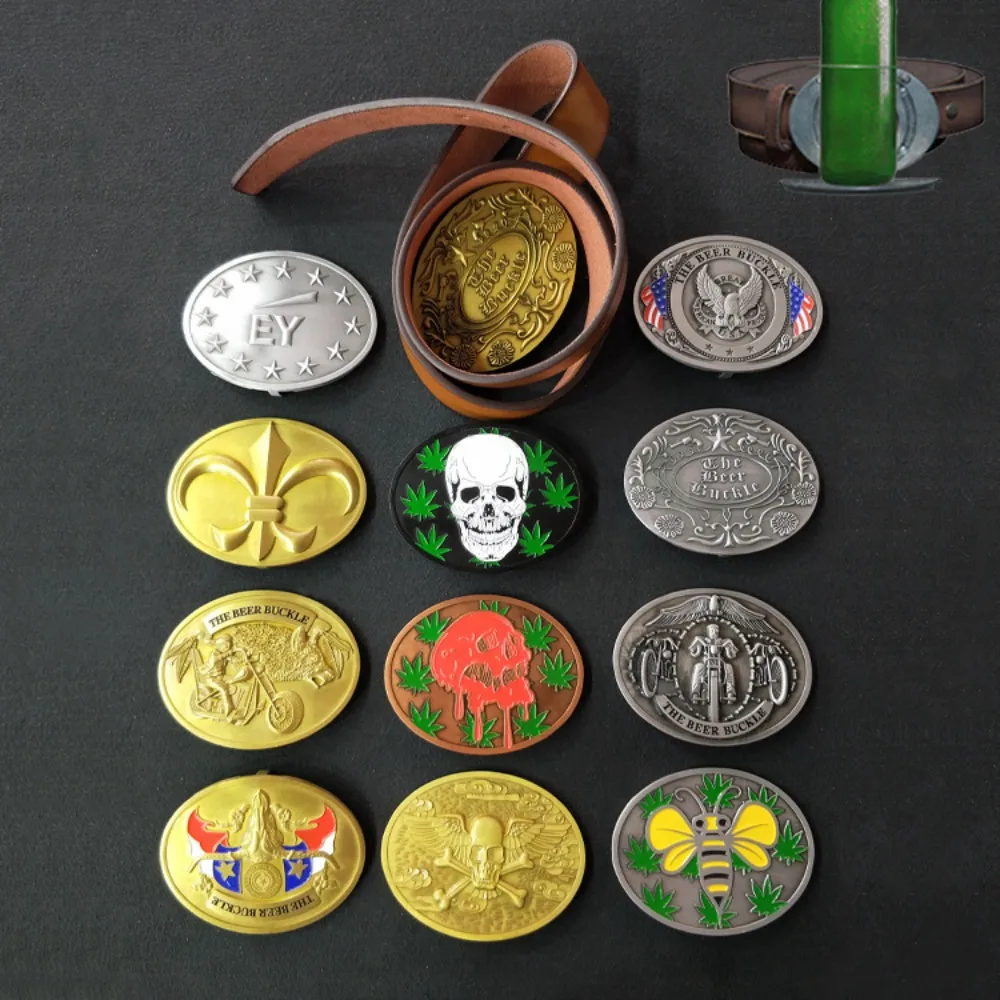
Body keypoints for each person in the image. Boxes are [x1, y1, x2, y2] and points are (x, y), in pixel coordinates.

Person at [688, 624, 738, 704]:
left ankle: (730, 692)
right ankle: (695, 693)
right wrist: (696, 643)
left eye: (716, 630)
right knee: (698, 667)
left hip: (720, 662)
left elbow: (731, 656)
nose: (714, 632)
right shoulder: (704, 640)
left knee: (729, 667)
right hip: (706, 662)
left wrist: (729, 646)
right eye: (712, 630)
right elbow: (694, 653)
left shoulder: (722, 641)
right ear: (708, 631)